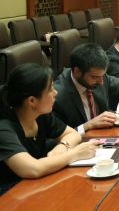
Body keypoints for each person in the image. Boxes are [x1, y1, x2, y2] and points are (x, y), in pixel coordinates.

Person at [0, 64, 98, 194]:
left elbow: (73, 134)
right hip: (10, 194)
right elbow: (32, 169)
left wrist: (62, 147)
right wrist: (75, 154)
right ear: (32, 101)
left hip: (36, 186)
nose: (56, 93)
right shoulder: (4, 128)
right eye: (50, 89)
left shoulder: (40, 115)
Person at [53, 43, 119, 133]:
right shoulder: (57, 96)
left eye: (102, 75)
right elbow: (54, 138)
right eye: (94, 77)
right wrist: (87, 125)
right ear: (77, 72)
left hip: (105, 135)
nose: (101, 82)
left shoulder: (99, 76)